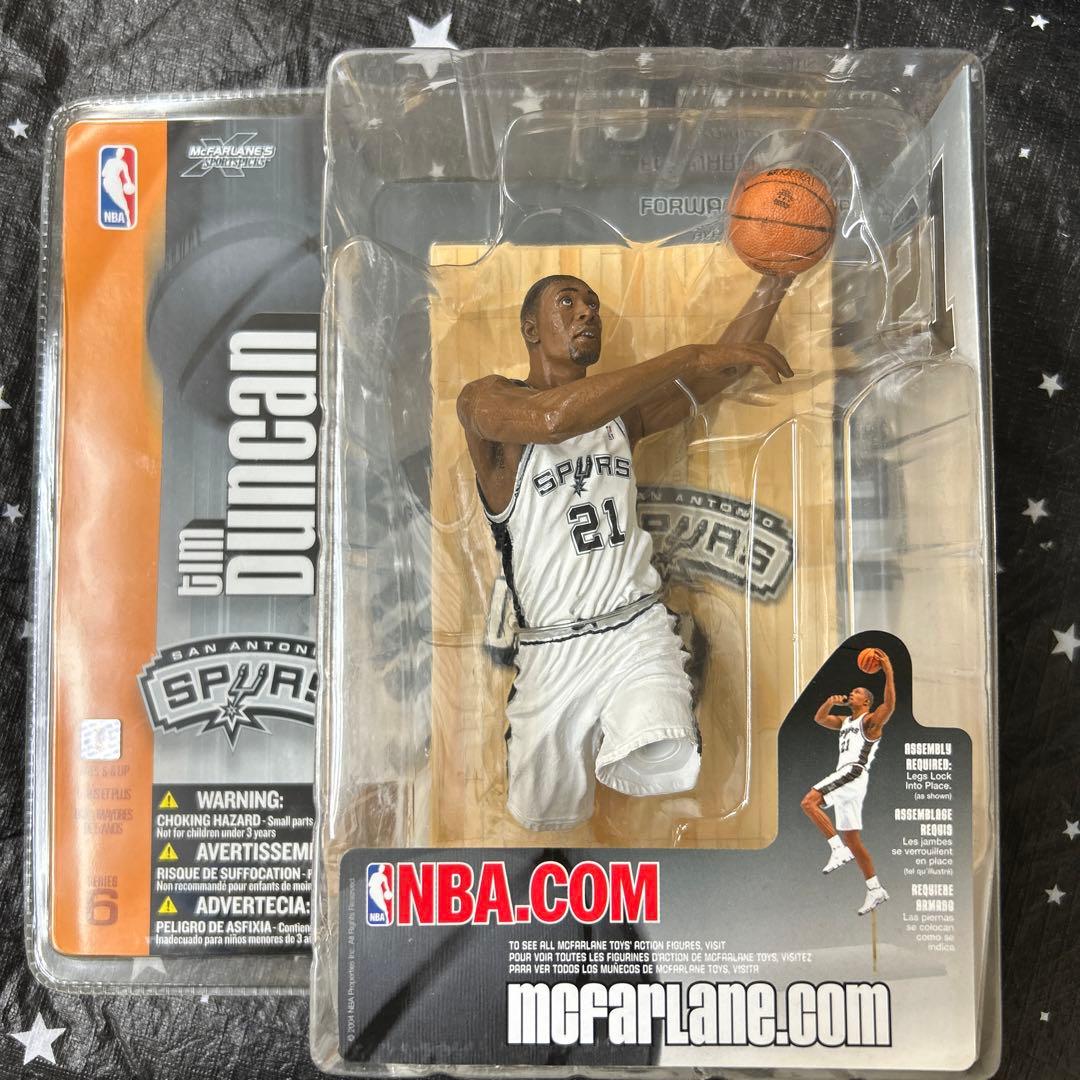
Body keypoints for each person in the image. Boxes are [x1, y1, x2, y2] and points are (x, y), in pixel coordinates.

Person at [456, 272, 792, 829]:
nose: (587, 312)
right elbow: (553, 420)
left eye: (593, 304)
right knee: (540, 819)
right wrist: (688, 355)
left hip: (636, 632)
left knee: (667, 759)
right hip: (552, 649)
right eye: (568, 302)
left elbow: (723, 369)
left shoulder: (621, 417)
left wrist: (777, 277)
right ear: (531, 328)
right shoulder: (485, 403)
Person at [800, 647, 896, 915]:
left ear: (866, 702)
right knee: (853, 839)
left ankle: (836, 849)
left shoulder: (870, 722)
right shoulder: (845, 722)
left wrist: (887, 670)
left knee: (809, 802)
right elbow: (819, 718)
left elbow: (889, 705)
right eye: (851, 692)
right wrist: (830, 701)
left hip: (852, 772)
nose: (851, 694)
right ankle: (875, 889)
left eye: (857, 692)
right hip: (850, 779)